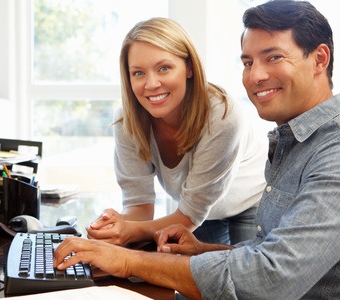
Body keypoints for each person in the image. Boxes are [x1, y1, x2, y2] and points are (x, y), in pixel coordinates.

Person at [54, 1, 340, 299]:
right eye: (248, 62)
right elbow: (267, 252)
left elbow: (268, 280)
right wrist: (200, 251)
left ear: (319, 59)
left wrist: (125, 260)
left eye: (273, 57)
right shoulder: (292, 143)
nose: (255, 76)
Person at [87, 17, 268, 246]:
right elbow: (139, 206)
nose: (151, 84)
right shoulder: (127, 120)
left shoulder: (223, 116)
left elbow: (188, 218)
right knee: (180, 272)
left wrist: (130, 231)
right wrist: (116, 226)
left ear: (189, 68)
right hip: (198, 213)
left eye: (164, 68)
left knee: (244, 278)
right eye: (138, 73)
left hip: (249, 204)